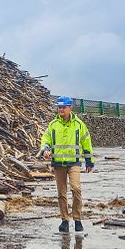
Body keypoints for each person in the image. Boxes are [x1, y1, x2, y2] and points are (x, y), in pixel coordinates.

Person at [39, 96, 94, 232]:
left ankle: (77, 219)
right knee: (61, 193)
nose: (61, 109)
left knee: (76, 189)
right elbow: (45, 139)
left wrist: (89, 161)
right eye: (59, 107)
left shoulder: (79, 125)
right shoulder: (53, 125)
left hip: (74, 163)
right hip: (58, 164)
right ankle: (64, 220)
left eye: (64, 107)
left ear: (70, 108)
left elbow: (86, 143)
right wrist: (45, 149)